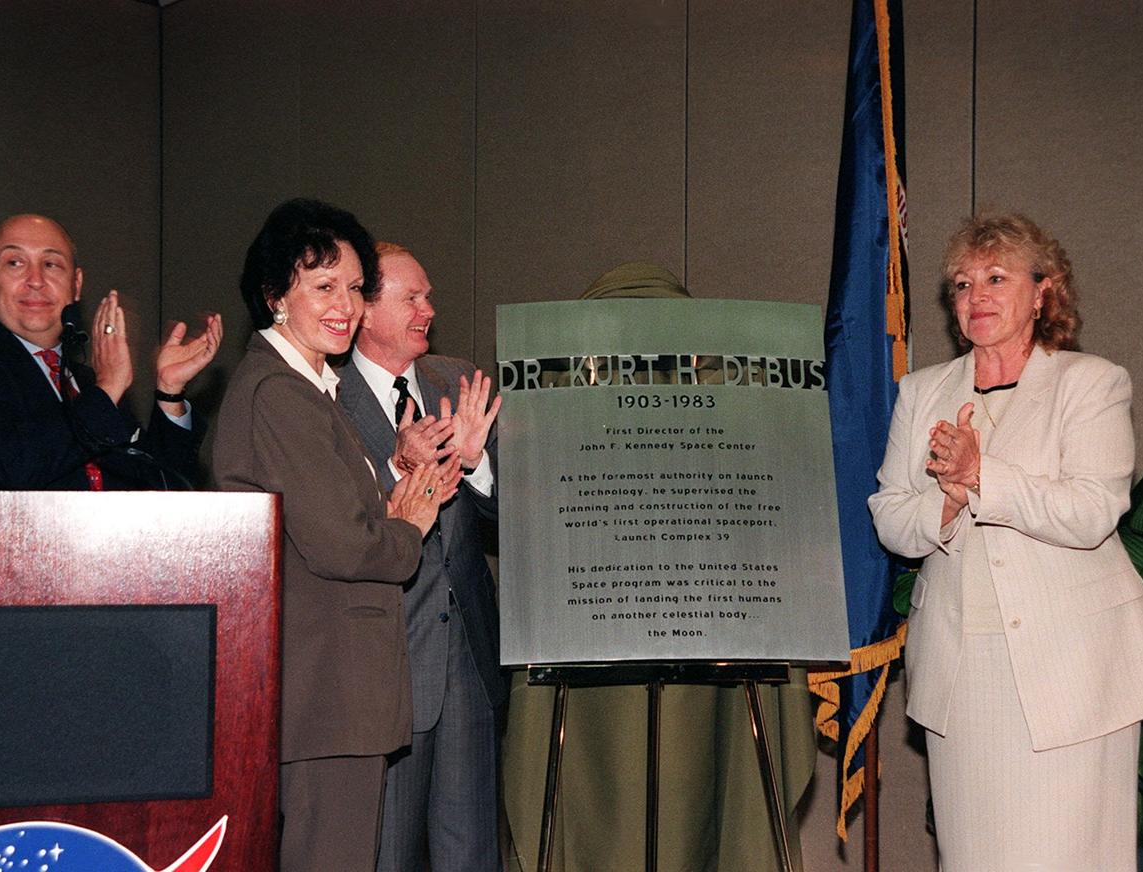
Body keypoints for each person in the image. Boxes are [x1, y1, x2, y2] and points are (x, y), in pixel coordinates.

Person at [868, 212, 1143, 869]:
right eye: (960, 284)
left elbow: (1091, 511)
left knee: (1070, 854)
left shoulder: (1090, 384)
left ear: (1044, 291)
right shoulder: (922, 393)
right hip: (965, 674)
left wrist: (983, 475)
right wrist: (950, 500)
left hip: (1076, 669)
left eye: (995, 277)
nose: (975, 296)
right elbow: (892, 519)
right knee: (975, 855)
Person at [501, 262, 818, 872]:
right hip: (711, 641)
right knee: (710, 802)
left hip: (587, 640)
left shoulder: (553, 406)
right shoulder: (734, 404)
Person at [211, 200, 460, 872]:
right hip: (326, 696)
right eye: (323, 287)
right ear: (274, 297)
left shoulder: (307, 387)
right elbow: (346, 545)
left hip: (331, 694)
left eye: (354, 288)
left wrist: (404, 482)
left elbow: (330, 521)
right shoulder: (279, 394)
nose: (344, 305)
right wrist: (408, 522)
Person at [335, 242, 506, 872]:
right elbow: (334, 529)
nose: (428, 309)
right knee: (386, 854)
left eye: (428, 294)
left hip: (466, 660)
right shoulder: (324, 398)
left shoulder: (454, 382)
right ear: (367, 311)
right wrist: (398, 471)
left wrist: (477, 463)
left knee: (472, 854)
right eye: (411, 297)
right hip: (385, 667)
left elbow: (509, 519)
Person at [0, 213, 221, 490]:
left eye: (51, 264)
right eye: (15, 263)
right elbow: (13, 469)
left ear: (77, 284)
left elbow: (164, 490)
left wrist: (169, 393)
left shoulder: (85, 383)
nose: (35, 281)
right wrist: (108, 388)